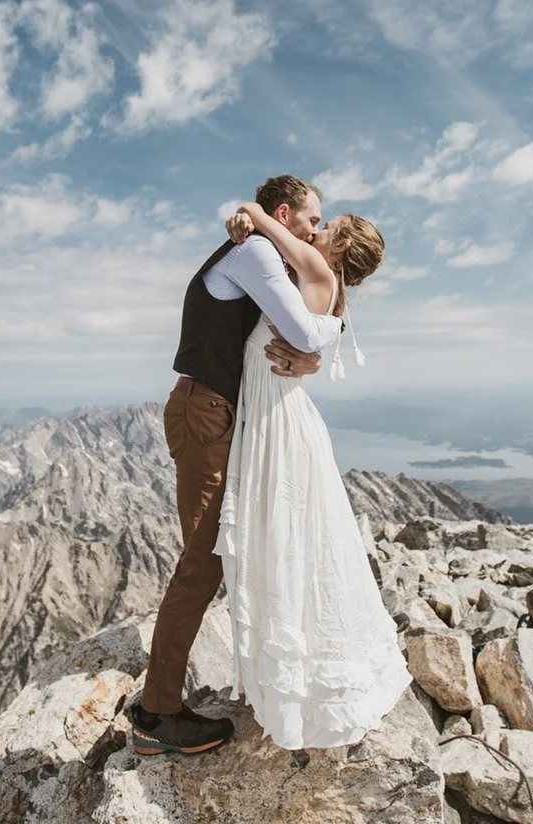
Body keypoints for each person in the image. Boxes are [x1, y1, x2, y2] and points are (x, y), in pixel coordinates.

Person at [129, 175, 342, 757]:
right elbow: (302, 329)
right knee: (201, 562)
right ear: (283, 213)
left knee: (214, 558)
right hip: (206, 413)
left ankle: (164, 699)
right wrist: (336, 331)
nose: (316, 229)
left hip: (215, 413)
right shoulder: (254, 252)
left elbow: (285, 338)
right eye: (312, 219)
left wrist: (310, 362)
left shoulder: (259, 248)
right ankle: (156, 714)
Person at [210, 199, 411, 750]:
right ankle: (298, 681)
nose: (316, 230)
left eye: (327, 227)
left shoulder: (317, 270)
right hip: (278, 416)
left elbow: (280, 239)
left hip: (279, 421)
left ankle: (301, 687)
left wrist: (249, 209)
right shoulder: (325, 285)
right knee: (295, 539)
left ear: (340, 246)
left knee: (288, 538)